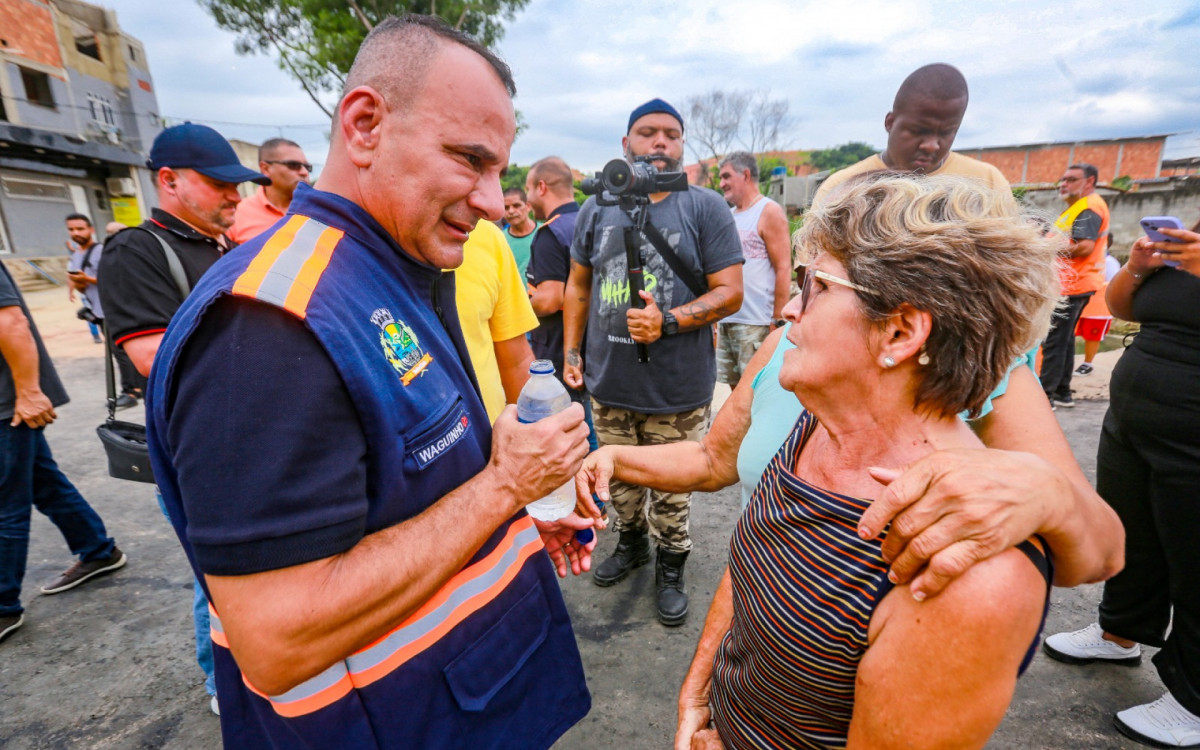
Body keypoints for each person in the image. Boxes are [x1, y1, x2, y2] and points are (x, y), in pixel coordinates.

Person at [143, 16, 594, 748]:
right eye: (469, 160)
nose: (489, 201)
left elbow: (402, 490)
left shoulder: (386, 267)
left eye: (499, 172)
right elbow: (279, 637)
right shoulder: (269, 326)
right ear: (363, 125)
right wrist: (504, 488)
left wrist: (521, 516)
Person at [581, 173, 1121, 749]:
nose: (788, 308)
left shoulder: (962, 566)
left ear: (899, 331)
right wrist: (700, 689)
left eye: (814, 287)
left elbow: (1101, 548)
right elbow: (754, 564)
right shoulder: (817, 425)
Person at [99, 121, 269, 714]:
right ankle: (221, 679)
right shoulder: (136, 250)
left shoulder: (221, 246)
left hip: (248, 433)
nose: (234, 196)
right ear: (168, 180)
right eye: (220, 183)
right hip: (200, 446)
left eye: (238, 185)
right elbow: (152, 355)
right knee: (217, 571)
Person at [563, 97, 744, 626]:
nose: (658, 143)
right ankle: (632, 544)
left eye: (670, 133)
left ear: (683, 146)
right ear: (626, 144)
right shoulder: (596, 208)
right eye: (646, 133)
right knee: (615, 482)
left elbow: (730, 292)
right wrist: (572, 351)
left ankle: (671, 564)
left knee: (672, 492)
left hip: (677, 387)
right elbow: (579, 284)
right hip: (610, 381)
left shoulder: (705, 207)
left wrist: (669, 321)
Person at [1043, 220, 1200, 748]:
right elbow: (1124, 310)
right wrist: (1138, 267)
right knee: (1134, 533)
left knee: (1194, 556)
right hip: (1134, 420)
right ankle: (1120, 632)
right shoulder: (1185, 245)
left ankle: (1195, 703)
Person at [0, 260, 126, 645]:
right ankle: (98, 550)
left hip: (7, 402)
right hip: (10, 400)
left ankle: (3, 607)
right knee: (42, 482)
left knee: (5, 505)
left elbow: (11, 323)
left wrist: (29, 392)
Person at [811, 63, 1010, 209]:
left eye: (946, 133)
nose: (932, 146)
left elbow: (1012, 256)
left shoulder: (987, 182)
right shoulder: (842, 188)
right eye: (919, 131)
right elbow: (812, 263)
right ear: (890, 123)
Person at [524, 155, 597, 450]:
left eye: (527, 190)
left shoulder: (551, 232)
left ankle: (590, 495)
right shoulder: (588, 221)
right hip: (595, 347)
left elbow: (551, 299)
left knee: (576, 433)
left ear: (541, 187)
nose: (527, 199)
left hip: (559, 347)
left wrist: (517, 302)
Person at [715, 152, 791, 387]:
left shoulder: (769, 211)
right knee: (734, 393)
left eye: (726, 176)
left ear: (745, 174)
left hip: (756, 323)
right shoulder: (729, 217)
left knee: (756, 391)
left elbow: (784, 267)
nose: (721, 184)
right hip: (728, 320)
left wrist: (777, 321)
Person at [455, 219, 538, 422]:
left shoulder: (485, 234)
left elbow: (516, 362)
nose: (497, 210)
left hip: (496, 440)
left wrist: (536, 431)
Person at [1040, 163, 1108, 408]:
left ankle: (1045, 396)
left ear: (1089, 182)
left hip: (1073, 284)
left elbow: (1084, 246)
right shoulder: (1080, 207)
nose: (1063, 184)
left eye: (1071, 179)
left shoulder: (1088, 208)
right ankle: (1061, 392)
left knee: (1054, 341)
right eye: (1063, 179)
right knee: (1065, 340)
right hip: (1075, 283)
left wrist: (1044, 247)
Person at [63, 214, 144, 407]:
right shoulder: (76, 254)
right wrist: (76, 286)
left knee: (122, 352)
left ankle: (132, 391)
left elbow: (116, 278)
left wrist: (87, 280)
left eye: (80, 229)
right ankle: (135, 388)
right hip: (98, 309)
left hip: (113, 309)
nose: (76, 233)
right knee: (117, 352)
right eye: (72, 229)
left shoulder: (102, 251)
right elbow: (80, 282)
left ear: (90, 229)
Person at [228, 138, 312, 244]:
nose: (304, 172)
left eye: (308, 167)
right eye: (294, 165)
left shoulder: (318, 212)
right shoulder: (235, 214)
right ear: (266, 169)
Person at [1074, 234, 1120, 377]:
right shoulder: (1085, 259)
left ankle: (1088, 363)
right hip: (1080, 304)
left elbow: (1112, 285)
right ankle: (1069, 361)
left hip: (1098, 309)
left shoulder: (1109, 262)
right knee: (1072, 334)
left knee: (1092, 336)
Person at [502, 186, 538, 278]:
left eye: (516, 206)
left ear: (528, 206)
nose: (511, 211)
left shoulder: (544, 232)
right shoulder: (500, 239)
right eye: (506, 208)